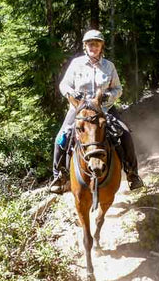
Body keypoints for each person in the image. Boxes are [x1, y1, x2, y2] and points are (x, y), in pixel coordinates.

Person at [50, 29, 144, 194]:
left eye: (97, 44)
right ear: (85, 46)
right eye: (91, 44)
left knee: (125, 133)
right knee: (61, 136)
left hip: (104, 108)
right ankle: (59, 176)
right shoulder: (76, 64)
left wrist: (108, 95)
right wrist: (71, 93)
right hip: (79, 109)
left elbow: (118, 89)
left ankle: (132, 173)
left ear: (102, 47)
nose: (94, 47)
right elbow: (64, 85)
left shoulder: (109, 66)